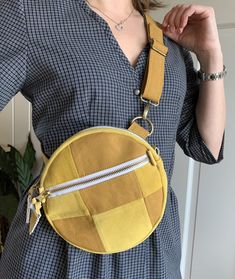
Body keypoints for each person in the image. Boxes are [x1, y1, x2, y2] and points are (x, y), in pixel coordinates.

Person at [0, 0, 225, 278]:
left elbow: (206, 147)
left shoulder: (169, 41)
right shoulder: (30, 15)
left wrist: (210, 55)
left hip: (153, 250)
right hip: (63, 247)